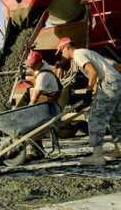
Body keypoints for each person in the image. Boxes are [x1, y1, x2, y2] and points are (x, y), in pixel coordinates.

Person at [56, 37, 121, 165]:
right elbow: (96, 74)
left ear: (67, 47)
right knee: (114, 117)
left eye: (61, 51)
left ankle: (97, 156)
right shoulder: (86, 52)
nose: (61, 54)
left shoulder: (78, 54)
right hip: (116, 82)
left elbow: (93, 71)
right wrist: (95, 91)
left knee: (96, 118)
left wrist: (88, 92)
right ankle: (119, 149)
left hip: (108, 83)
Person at [23, 51, 63, 158]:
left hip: (50, 106)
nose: (31, 68)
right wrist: (24, 73)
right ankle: (37, 150)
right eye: (29, 66)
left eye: (32, 66)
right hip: (48, 102)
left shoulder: (43, 75)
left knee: (31, 124)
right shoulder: (42, 66)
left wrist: (27, 110)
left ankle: (37, 152)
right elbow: (33, 72)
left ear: (39, 63)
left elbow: (35, 96)